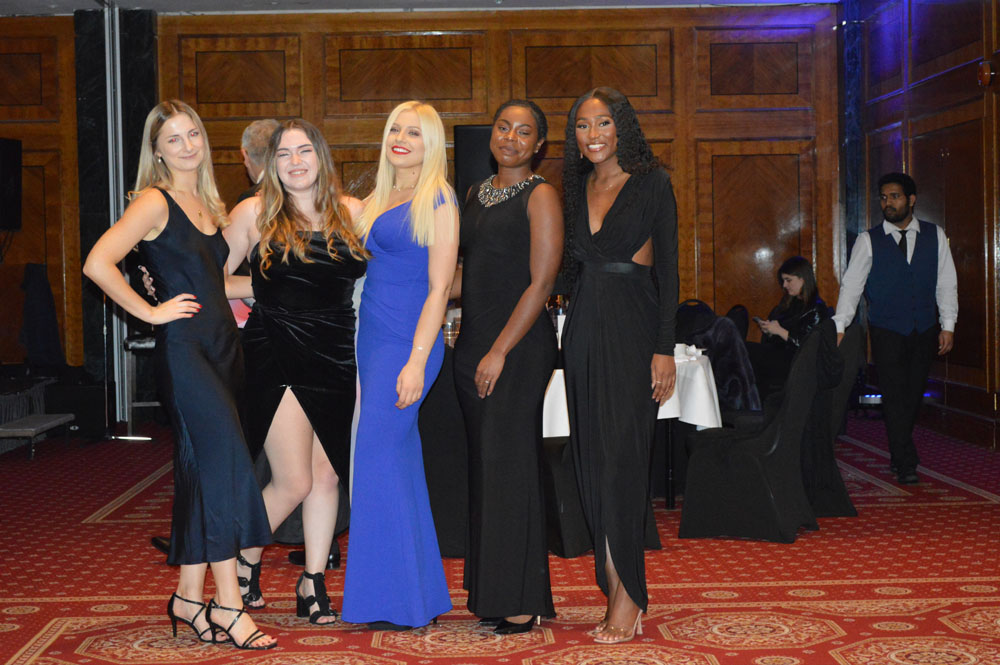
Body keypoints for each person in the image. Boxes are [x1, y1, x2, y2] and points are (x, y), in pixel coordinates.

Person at [83, 99, 275, 650]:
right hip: (186, 351)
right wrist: (149, 312)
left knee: (199, 471)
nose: (188, 145)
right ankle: (229, 605)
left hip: (224, 348)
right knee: (225, 471)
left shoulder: (210, 203)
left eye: (193, 134)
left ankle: (189, 598)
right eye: (174, 139)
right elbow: (98, 262)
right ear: (158, 151)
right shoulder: (154, 200)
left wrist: (287, 286)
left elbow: (215, 281)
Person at [224, 119, 367, 624]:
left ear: (321, 156)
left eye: (304, 151)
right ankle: (236, 564)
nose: (295, 162)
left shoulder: (354, 212)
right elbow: (212, 278)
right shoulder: (253, 212)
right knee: (293, 481)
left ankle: (312, 583)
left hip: (337, 352)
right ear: (272, 165)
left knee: (328, 476)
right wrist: (266, 290)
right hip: (277, 350)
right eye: (284, 154)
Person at [561, 87, 678, 645]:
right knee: (590, 464)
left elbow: (669, 272)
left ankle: (630, 592)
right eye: (583, 125)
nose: (593, 134)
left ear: (622, 125)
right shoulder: (573, 187)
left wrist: (665, 348)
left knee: (623, 465)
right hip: (582, 330)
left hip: (635, 330)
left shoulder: (653, 182)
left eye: (603, 122)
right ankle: (612, 585)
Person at [341, 100, 459, 630]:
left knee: (376, 461)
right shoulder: (377, 197)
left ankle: (387, 599)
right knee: (398, 465)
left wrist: (415, 361)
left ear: (430, 143)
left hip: (408, 344)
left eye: (413, 132)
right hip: (372, 339)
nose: (401, 139)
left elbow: (440, 288)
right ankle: (413, 597)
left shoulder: (438, 198)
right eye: (395, 129)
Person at [453, 100, 563, 635]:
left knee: (511, 467)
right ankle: (493, 593)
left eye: (524, 132)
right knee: (486, 471)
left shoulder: (541, 196)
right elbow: (467, 274)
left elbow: (541, 284)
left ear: (538, 145)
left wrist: (498, 350)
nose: (511, 138)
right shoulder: (475, 192)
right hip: (472, 344)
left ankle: (523, 598)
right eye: (504, 128)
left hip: (516, 348)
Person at [833, 172, 957, 485]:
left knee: (913, 394)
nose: (888, 203)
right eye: (884, 198)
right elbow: (852, 285)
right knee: (893, 393)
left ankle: (899, 449)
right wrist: (841, 324)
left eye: (895, 197)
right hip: (886, 328)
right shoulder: (868, 240)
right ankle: (905, 461)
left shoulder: (935, 235)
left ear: (911, 200)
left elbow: (946, 283)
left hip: (924, 327)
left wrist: (948, 324)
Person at [747, 255, 829, 398]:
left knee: (747, 351)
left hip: (796, 362)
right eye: (784, 280)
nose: (784, 285)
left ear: (803, 279)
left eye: (788, 280)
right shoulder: (790, 302)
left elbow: (807, 346)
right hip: (780, 355)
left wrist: (779, 331)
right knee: (745, 350)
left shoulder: (816, 308)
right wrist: (770, 330)